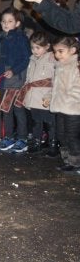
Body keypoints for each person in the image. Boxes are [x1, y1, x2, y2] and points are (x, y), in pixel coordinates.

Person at [0, 8, 31, 153]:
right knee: (6, 110)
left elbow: (25, 59)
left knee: (18, 109)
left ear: (17, 23)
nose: (6, 24)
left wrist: (14, 71)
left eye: (10, 21)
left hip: (15, 79)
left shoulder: (21, 38)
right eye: (4, 21)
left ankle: (23, 139)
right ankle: (8, 137)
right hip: (1, 80)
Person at [17, 31, 55, 154]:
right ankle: (37, 142)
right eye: (33, 47)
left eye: (38, 47)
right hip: (33, 97)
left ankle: (53, 144)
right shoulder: (31, 59)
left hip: (45, 97)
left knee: (49, 122)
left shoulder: (52, 59)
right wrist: (25, 93)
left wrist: (51, 94)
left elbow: (55, 78)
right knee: (36, 122)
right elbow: (29, 78)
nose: (35, 50)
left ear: (47, 46)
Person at [47, 36, 80, 175]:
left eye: (61, 51)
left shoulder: (76, 66)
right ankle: (67, 160)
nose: (57, 55)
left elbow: (77, 88)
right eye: (55, 51)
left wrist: (68, 99)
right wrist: (49, 97)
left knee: (71, 136)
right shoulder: (59, 66)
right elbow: (55, 87)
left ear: (72, 50)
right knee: (61, 134)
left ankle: (76, 163)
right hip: (60, 107)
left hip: (73, 108)